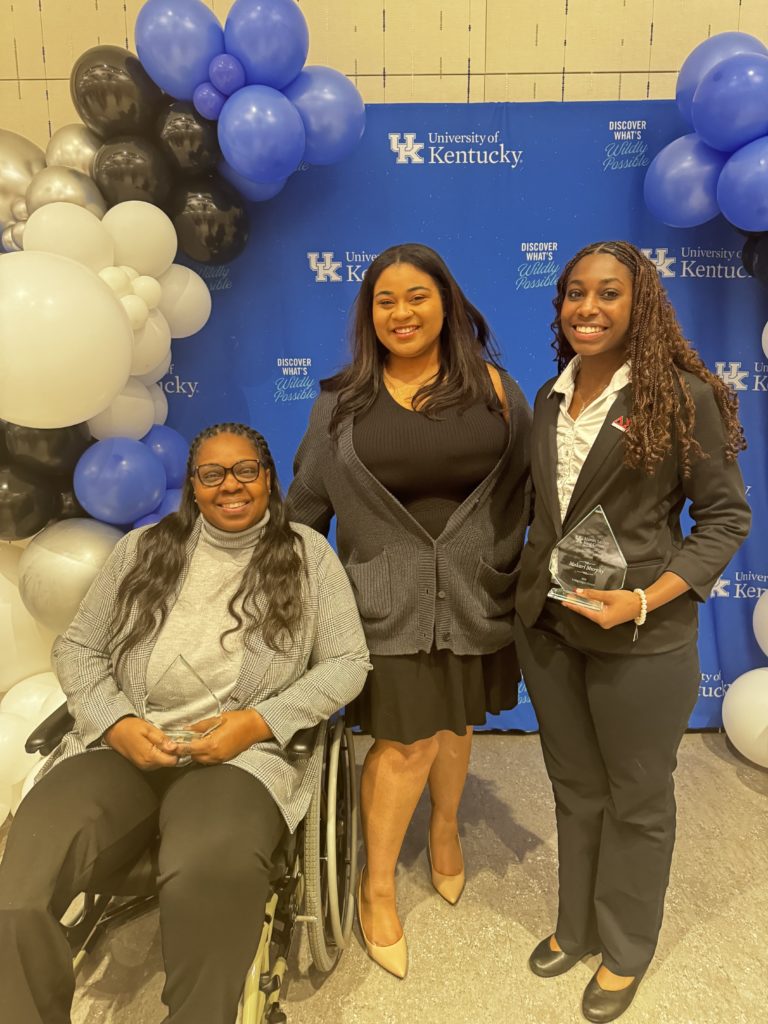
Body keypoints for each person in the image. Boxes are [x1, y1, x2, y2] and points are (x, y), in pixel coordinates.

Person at [0, 422, 370, 1024]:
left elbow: (349, 663)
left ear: (268, 479)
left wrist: (254, 723)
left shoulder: (306, 554)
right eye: (213, 474)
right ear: (193, 487)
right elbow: (77, 648)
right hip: (125, 747)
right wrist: (115, 721)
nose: (232, 485)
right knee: (16, 892)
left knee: (207, 871)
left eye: (246, 470)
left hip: (238, 760)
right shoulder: (142, 550)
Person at [515, 240, 750, 1022]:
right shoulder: (548, 399)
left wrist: (645, 599)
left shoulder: (682, 396)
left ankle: (625, 948)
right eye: (574, 293)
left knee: (637, 800)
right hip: (551, 630)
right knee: (576, 789)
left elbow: (725, 518)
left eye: (608, 293)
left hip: (642, 637)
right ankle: (576, 924)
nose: (587, 307)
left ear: (639, 302)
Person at [287, 242, 531, 978]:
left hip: (474, 596)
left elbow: (526, 490)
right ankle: (378, 884)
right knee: (405, 744)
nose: (401, 313)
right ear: (369, 315)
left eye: (417, 297)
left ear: (446, 303)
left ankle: (449, 829)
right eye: (384, 301)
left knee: (454, 722)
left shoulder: (495, 388)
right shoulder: (341, 404)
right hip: (382, 604)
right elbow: (304, 508)